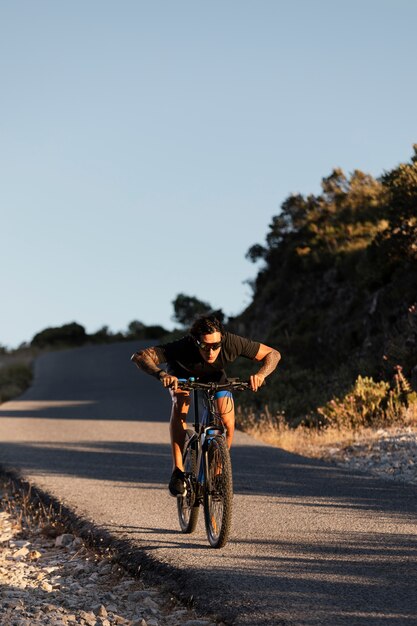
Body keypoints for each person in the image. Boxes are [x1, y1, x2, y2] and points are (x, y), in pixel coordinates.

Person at [131, 315, 281, 496]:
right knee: (180, 403)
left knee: (227, 422)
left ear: (222, 340)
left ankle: (217, 474)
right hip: (181, 375)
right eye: (204, 346)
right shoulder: (183, 347)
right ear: (196, 342)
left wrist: (261, 375)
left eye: (215, 346)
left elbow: (273, 354)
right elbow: (140, 356)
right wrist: (162, 375)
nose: (211, 352)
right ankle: (177, 471)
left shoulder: (232, 343)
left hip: (213, 376)